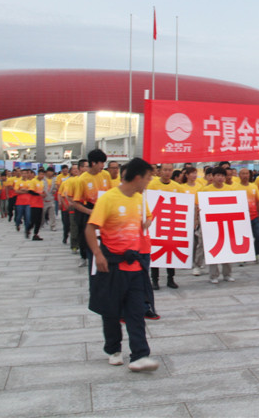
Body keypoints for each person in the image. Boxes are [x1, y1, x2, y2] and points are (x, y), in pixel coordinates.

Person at [85, 157, 159, 373]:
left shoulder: (139, 199)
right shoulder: (109, 199)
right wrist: (98, 254)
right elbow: (90, 228)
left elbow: (142, 223)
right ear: (137, 177)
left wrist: (145, 224)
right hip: (112, 265)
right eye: (148, 178)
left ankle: (140, 355)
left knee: (136, 312)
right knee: (111, 311)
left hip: (134, 264)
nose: (149, 182)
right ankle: (113, 349)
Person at [72, 150, 112, 267]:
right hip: (90, 211)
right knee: (89, 239)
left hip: (105, 211)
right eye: (101, 163)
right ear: (93, 163)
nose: (103, 166)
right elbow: (76, 203)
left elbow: (111, 194)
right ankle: (87, 258)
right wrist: (90, 211)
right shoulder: (82, 179)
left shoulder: (105, 175)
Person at [146, 163, 181, 289]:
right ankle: (154, 280)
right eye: (165, 170)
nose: (167, 172)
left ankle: (170, 279)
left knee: (170, 252)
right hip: (156, 225)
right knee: (155, 252)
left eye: (170, 170)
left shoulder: (177, 187)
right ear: (160, 171)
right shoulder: (152, 185)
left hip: (171, 224)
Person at [198, 167, 236, 283]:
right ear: (212, 177)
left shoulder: (229, 189)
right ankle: (213, 275)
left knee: (227, 249)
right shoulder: (206, 190)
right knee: (213, 248)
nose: (220, 178)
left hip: (226, 223)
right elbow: (200, 207)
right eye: (218, 175)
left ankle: (227, 274)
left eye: (222, 176)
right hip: (211, 224)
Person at [238, 168, 259, 262]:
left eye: (246, 173)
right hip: (241, 218)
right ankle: (243, 256)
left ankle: (255, 253)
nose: (245, 175)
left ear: (249, 175)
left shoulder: (254, 187)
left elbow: (258, 201)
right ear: (239, 175)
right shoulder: (235, 188)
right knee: (244, 238)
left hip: (254, 216)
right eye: (243, 173)